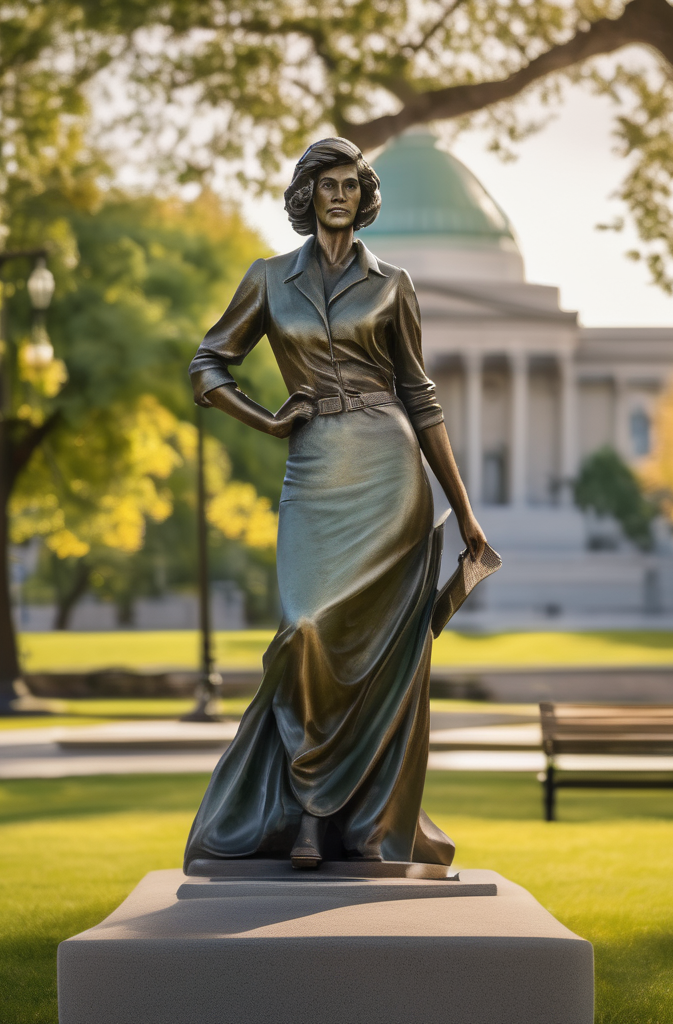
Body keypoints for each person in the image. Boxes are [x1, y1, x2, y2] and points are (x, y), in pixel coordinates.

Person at [183, 137, 486, 872]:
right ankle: (311, 795)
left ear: (364, 194)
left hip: (390, 469)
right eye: (327, 184)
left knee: (377, 655)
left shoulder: (392, 284)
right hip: (315, 466)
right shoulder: (269, 279)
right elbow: (206, 362)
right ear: (307, 196)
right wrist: (266, 418)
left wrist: (466, 513)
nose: (340, 195)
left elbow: (420, 395)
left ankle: (320, 819)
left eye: (352, 184)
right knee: (305, 630)